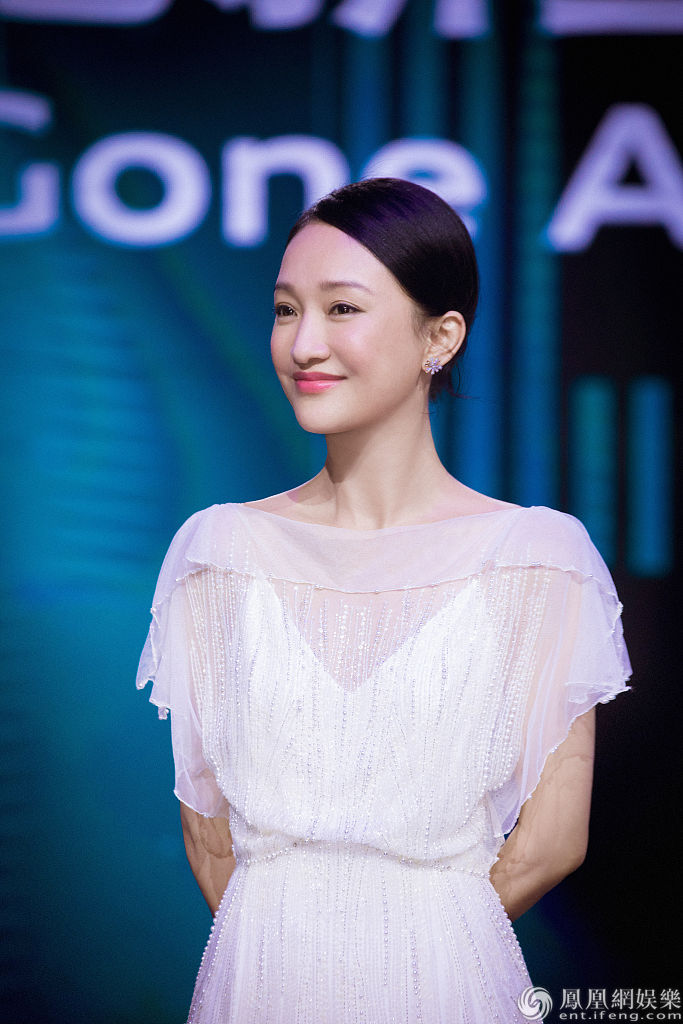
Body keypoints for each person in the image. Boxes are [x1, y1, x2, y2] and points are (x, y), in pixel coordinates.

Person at [137, 178, 631, 1023]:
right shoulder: (218, 552)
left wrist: (404, 951)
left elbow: (550, 842)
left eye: (342, 309)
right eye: (285, 310)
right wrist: (295, 955)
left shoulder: (538, 559)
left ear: (440, 336)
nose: (304, 344)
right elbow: (207, 834)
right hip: (260, 983)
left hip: (445, 983)